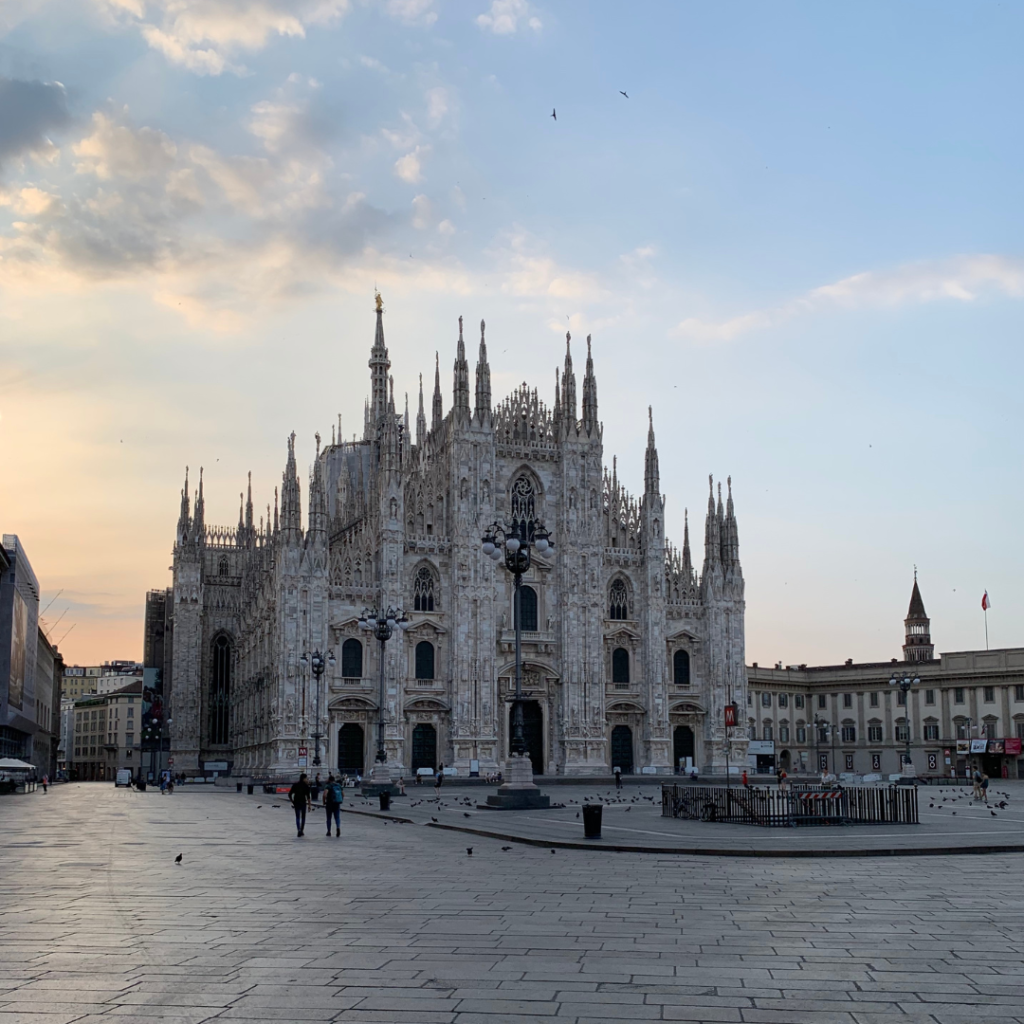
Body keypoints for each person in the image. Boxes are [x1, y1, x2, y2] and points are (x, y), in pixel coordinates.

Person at [289, 773, 311, 837]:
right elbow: (308, 797)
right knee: (303, 817)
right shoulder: (306, 786)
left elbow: (290, 794)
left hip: (296, 802)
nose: (307, 780)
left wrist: (292, 801)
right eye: (306, 778)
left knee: (297, 817)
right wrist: (309, 805)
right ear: (304, 779)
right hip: (303, 802)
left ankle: (298, 830)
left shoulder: (295, 785)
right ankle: (302, 830)